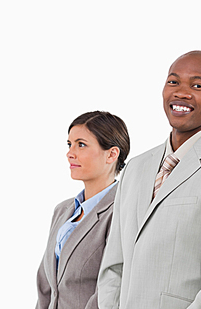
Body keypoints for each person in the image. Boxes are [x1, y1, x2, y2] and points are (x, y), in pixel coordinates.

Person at [97, 50, 201, 309]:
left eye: (197, 85)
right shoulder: (135, 168)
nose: (181, 92)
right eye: (173, 82)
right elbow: (113, 266)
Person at [36, 111, 131, 309]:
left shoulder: (121, 211)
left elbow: (111, 289)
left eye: (81, 144)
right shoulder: (62, 211)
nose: (70, 153)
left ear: (112, 154)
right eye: (69, 144)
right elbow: (46, 287)